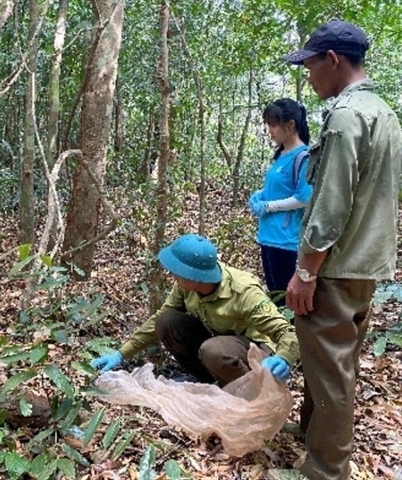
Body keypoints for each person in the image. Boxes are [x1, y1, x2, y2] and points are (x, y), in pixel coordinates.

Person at [268, 19, 402, 480]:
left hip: (337, 266)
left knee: (331, 372)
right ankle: (313, 439)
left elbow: (331, 203)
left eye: (310, 66)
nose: (308, 76)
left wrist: (306, 271)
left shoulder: (346, 117)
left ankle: (325, 470)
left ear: (332, 60)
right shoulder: (383, 112)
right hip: (366, 261)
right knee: (332, 363)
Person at [91, 233, 299, 386]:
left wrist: (282, 358)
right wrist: (122, 353)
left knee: (214, 350)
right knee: (167, 321)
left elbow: (287, 333)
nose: (173, 276)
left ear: (194, 276)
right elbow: (158, 321)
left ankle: (247, 392)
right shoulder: (186, 287)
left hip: (252, 349)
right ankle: (208, 381)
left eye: (177, 272)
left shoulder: (244, 292)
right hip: (217, 340)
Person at [249, 99, 313, 306]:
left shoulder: (303, 156)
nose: (269, 130)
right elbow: (279, 187)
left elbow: (304, 197)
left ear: (290, 125)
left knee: (286, 301)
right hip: (268, 236)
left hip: (286, 240)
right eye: (267, 124)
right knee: (275, 296)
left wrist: (269, 206)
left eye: (273, 124)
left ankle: (291, 338)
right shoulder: (282, 154)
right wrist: (260, 195)